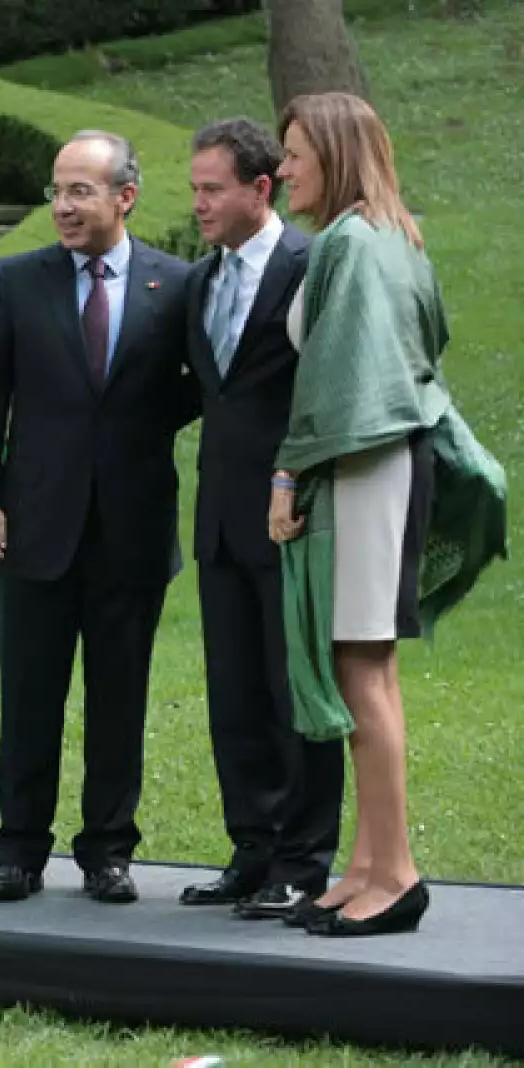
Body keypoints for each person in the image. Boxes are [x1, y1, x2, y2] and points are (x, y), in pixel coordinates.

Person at [268, 92, 503, 937]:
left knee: (361, 673)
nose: (284, 169)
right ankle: (367, 864)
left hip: (365, 474)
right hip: (382, 471)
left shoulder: (354, 245)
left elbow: (337, 380)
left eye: (294, 154)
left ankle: (394, 874)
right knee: (368, 669)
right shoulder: (393, 237)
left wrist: (288, 475)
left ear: (333, 152)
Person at [0, 130, 197, 905]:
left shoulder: (179, 283)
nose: (63, 206)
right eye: (56, 192)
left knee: (119, 698)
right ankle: (19, 851)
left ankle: (108, 854)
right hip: (32, 528)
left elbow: (201, 386)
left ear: (125, 197)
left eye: (80, 191)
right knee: (29, 696)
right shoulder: (14, 282)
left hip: (132, 529)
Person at [177, 119, 344, 920]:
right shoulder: (199, 283)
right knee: (234, 696)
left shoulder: (314, 267)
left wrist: (297, 486)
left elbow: (330, 393)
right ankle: (251, 849)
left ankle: (304, 861)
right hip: (217, 520)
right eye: (195, 189)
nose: (199, 203)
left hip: (295, 520)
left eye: (213, 189)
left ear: (260, 189)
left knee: (294, 695)